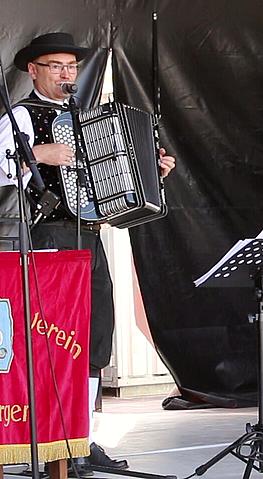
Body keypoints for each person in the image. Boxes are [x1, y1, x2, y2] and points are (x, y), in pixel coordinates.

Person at [0, 32, 176, 470]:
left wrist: (151, 171)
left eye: (71, 66)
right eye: (55, 66)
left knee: (95, 337)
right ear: (33, 71)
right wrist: (36, 154)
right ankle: (45, 441)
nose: (66, 74)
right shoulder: (22, 116)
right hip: (47, 238)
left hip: (89, 237)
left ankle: (82, 438)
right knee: (50, 339)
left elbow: (113, 179)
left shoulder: (90, 121)